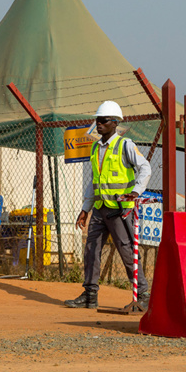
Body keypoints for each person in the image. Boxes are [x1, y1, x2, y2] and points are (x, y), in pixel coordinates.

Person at [64, 100, 152, 309]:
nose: (99, 124)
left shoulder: (125, 145)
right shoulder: (96, 148)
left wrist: (135, 193)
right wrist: (85, 209)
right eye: (97, 120)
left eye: (103, 120)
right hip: (100, 209)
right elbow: (94, 180)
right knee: (91, 249)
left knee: (126, 250)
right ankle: (90, 294)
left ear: (115, 123)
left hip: (119, 210)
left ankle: (144, 294)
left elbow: (145, 168)